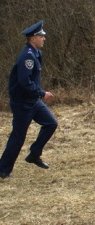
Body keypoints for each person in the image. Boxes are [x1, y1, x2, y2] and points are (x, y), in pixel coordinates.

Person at [0, 20, 58, 179]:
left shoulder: (37, 53)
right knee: (18, 137)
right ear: (33, 38)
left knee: (51, 123)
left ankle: (34, 154)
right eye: (41, 36)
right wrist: (41, 93)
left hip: (33, 101)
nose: (44, 38)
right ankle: (3, 170)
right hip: (22, 103)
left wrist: (38, 94)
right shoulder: (27, 57)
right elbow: (24, 82)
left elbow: (33, 79)